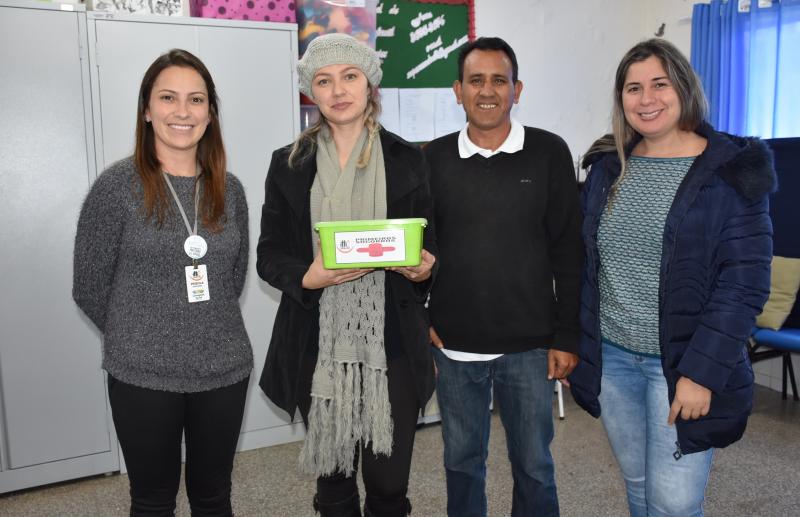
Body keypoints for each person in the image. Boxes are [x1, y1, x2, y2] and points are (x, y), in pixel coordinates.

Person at [568, 38, 775, 516]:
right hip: (614, 360)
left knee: (674, 505)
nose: (647, 99)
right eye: (633, 88)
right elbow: (585, 262)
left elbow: (744, 285)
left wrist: (700, 375)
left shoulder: (731, 173)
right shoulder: (608, 168)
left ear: (684, 88)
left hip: (682, 364)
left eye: (659, 84)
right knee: (639, 487)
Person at [256, 33, 437, 517]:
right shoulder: (288, 164)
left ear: (369, 83)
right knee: (334, 480)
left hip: (392, 343)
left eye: (349, 76)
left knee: (388, 484)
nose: (338, 90)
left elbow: (431, 247)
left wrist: (424, 267)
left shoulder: (408, 159)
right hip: (316, 342)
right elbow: (268, 254)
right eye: (324, 80)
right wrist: (307, 277)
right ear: (311, 93)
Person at [73, 49, 253, 516]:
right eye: (168, 97)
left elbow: (231, 279)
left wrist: (199, 325)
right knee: (153, 501)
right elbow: (89, 285)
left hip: (224, 369)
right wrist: (140, 331)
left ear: (210, 114)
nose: (182, 111)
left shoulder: (229, 189)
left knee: (214, 498)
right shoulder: (117, 187)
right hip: (142, 375)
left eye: (196, 99)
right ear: (147, 110)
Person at [424, 37, 583, 517]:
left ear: (518, 89)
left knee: (534, 466)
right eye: (476, 80)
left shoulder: (549, 152)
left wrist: (566, 335)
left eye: (499, 80)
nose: (487, 90)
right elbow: (418, 249)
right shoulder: (431, 159)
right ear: (458, 91)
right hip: (454, 347)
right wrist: (419, 322)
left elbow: (569, 250)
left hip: (530, 347)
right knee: (461, 464)